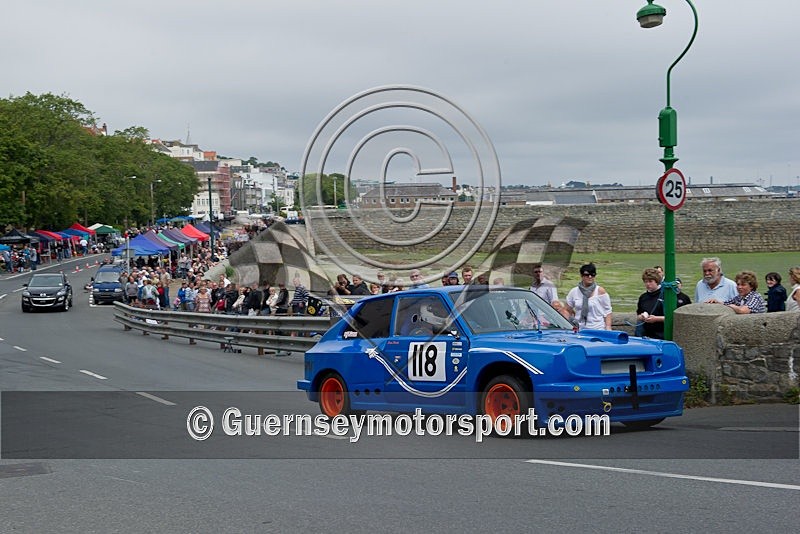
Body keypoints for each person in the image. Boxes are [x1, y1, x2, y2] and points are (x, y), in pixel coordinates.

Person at [565, 263, 612, 330]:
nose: (590, 277)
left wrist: (608, 328)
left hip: (597, 328)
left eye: (592, 275)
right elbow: (567, 309)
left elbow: (608, 311)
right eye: (587, 275)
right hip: (580, 328)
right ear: (582, 275)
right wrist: (572, 321)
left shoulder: (600, 291)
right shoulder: (574, 291)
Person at [635, 268, 664, 339]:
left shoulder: (665, 296)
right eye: (645, 282)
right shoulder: (643, 297)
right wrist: (642, 316)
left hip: (661, 335)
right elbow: (638, 314)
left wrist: (656, 319)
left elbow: (672, 317)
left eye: (650, 281)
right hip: (645, 335)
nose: (648, 284)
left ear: (657, 281)